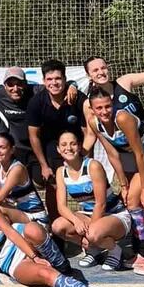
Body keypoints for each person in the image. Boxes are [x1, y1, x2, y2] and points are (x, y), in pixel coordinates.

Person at [88, 87, 144, 276]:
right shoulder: (94, 123)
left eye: (108, 106)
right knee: (131, 201)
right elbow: (112, 154)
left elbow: (140, 153)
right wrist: (123, 184)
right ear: (92, 109)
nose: (104, 111)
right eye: (99, 108)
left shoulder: (123, 118)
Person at [0, 67, 78, 187]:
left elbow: (61, 83)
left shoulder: (36, 91)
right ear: (4, 86)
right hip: (18, 147)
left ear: (25, 83)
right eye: (10, 85)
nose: (15, 89)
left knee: (47, 181)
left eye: (19, 84)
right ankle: (3, 200)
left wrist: (73, 86)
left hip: (39, 147)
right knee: (1, 167)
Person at [27, 60, 92, 236]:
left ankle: (92, 229)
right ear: (43, 81)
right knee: (53, 189)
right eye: (50, 79)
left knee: (87, 188)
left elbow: (88, 130)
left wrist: (85, 155)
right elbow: (34, 136)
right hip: (51, 150)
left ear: (65, 79)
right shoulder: (36, 102)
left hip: (76, 149)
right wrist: (43, 165)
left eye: (58, 78)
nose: (54, 83)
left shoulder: (77, 98)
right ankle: (59, 234)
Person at [51, 131, 131, 271]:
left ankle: (115, 251)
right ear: (58, 149)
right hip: (87, 214)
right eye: (63, 145)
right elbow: (62, 206)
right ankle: (95, 251)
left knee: (93, 234)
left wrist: (90, 236)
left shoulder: (92, 166)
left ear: (80, 146)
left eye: (73, 144)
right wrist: (77, 221)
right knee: (57, 226)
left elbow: (101, 204)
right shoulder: (60, 172)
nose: (68, 148)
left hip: (114, 214)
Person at [0, 132, 49, 227]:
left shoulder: (17, 169)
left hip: (34, 216)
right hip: (18, 212)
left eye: (2, 148)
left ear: (12, 150)